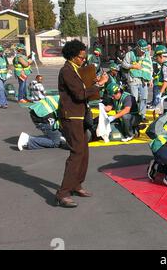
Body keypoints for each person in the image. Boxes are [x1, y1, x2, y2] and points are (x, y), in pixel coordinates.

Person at [57, 39, 109, 208]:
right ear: (72, 56)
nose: (83, 59)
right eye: (81, 57)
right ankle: (63, 193)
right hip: (71, 117)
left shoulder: (76, 69)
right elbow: (79, 94)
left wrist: (94, 82)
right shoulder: (67, 71)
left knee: (84, 152)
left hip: (80, 116)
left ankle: (77, 184)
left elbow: (84, 90)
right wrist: (99, 85)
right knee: (76, 153)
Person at [122, 39, 153, 122]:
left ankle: (142, 115)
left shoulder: (147, 55)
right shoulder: (130, 54)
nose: (143, 52)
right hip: (133, 80)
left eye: (144, 50)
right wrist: (132, 66)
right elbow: (124, 64)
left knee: (144, 98)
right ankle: (134, 115)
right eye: (141, 50)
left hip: (143, 80)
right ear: (138, 48)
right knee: (134, 98)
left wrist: (151, 79)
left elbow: (149, 67)